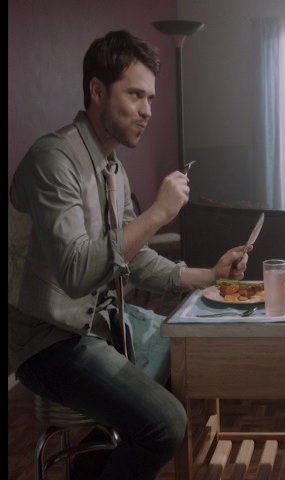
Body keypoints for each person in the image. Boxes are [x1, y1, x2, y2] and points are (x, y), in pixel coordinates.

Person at [8, 30, 251, 480]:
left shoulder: (113, 167)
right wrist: (158, 213)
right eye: (135, 95)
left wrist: (211, 276)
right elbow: (76, 274)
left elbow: (133, 259)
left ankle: (91, 469)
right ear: (97, 91)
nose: (147, 111)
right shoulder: (52, 160)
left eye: (150, 98)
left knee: (191, 355)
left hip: (100, 328)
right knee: (166, 423)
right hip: (49, 343)